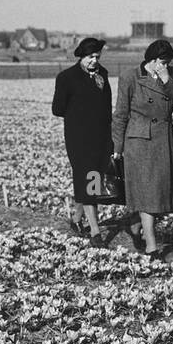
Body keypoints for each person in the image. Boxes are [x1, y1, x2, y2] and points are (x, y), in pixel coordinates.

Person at [112, 39, 173, 257]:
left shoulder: (170, 74)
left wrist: (167, 81)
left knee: (160, 192)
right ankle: (151, 245)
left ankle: (137, 226)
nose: (165, 65)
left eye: (167, 62)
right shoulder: (130, 77)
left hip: (163, 141)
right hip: (140, 142)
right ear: (152, 60)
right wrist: (117, 146)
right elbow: (120, 113)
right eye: (162, 62)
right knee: (149, 194)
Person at [52, 37, 116, 246]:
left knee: (92, 178)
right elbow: (58, 109)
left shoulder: (102, 75)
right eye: (90, 57)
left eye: (97, 56)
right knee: (88, 177)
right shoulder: (66, 77)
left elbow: (107, 107)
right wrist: (80, 113)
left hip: (101, 137)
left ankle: (77, 218)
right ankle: (95, 232)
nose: (94, 61)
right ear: (81, 56)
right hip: (79, 138)